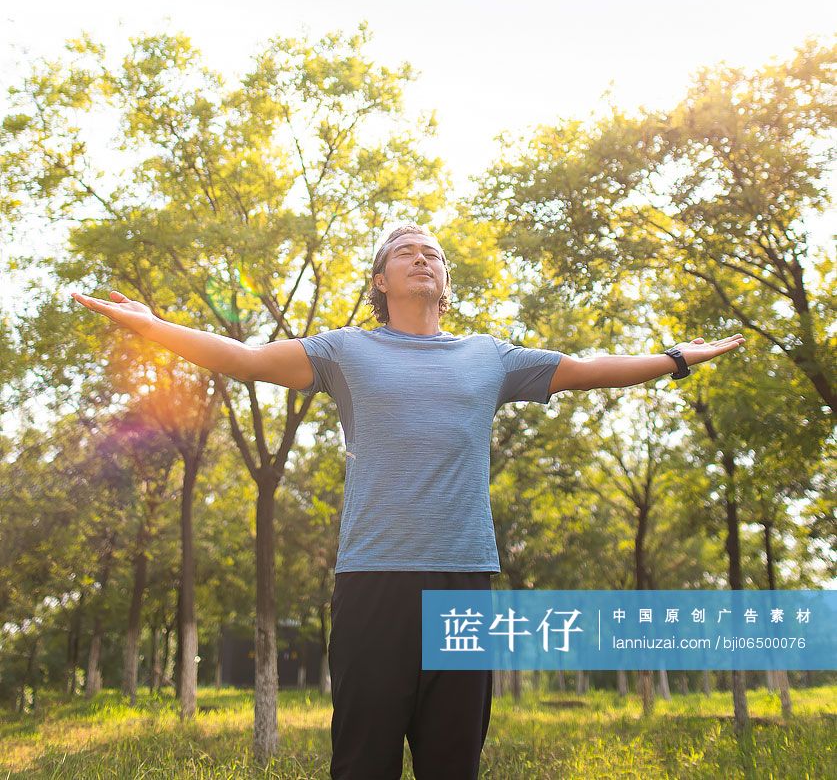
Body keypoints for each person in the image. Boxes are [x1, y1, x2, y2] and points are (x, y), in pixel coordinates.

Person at [71, 223, 744, 779]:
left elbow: (591, 370)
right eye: (405, 250)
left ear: (444, 283)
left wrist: (674, 357)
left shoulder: (492, 356)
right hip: (374, 581)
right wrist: (154, 326)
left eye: (433, 253)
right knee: (363, 760)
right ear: (379, 281)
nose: (422, 256)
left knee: (453, 761)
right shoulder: (343, 351)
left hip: (463, 577)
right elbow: (244, 358)